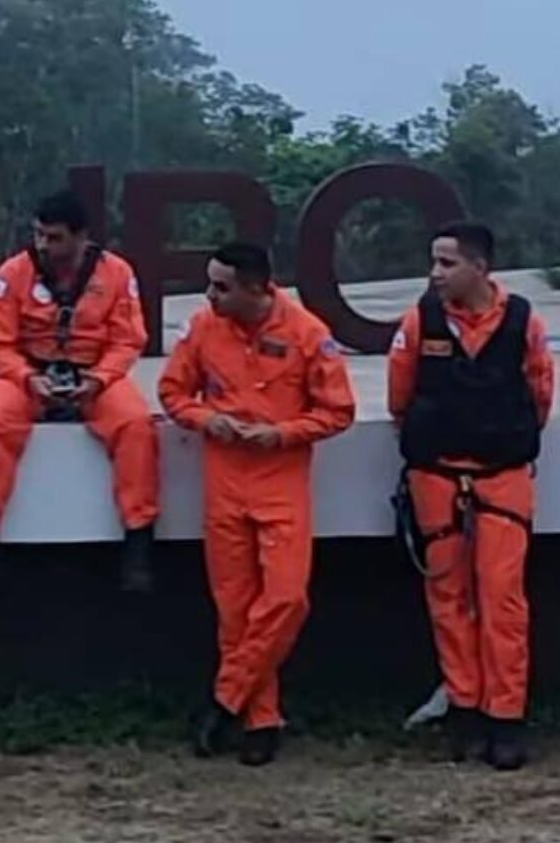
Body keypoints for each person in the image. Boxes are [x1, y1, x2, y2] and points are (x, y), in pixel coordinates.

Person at [158, 242, 356, 766]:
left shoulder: (309, 334)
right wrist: (207, 420)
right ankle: (260, 719)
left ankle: (224, 701)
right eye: (209, 283)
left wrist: (282, 433)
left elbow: (339, 412)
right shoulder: (202, 329)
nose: (210, 295)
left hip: (280, 481)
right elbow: (173, 393)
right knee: (236, 611)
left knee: (287, 599)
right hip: (223, 481)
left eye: (221, 286)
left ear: (257, 287)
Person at [387, 221, 555, 771]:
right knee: (448, 599)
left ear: (480, 267)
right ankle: (464, 709)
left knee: (503, 599)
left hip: (503, 477)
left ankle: (505, 717)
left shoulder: (524, 322)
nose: (435, 273)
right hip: (435, 476)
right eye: (433, 262)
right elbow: (400, 394)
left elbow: (540, 390)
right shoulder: (419, 321)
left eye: (446, 263)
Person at [0, 189, 160, 595]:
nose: (44, 245)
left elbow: (128, 340)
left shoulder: (116, 274)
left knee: (136, 425)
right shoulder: (13, 274)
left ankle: (138, 544)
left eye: (55, 237)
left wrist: (99, 378)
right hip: (28, 373)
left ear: (82, 237)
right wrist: (28, 379)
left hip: (95, 375)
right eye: (39, 235)